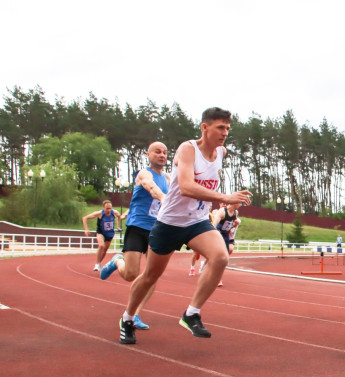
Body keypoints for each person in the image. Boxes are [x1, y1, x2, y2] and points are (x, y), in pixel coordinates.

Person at [117, 107, 252, 345]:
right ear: (205, 127)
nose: (224, 133)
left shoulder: (221, 152)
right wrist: (225, 197)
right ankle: (128, 318)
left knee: (220, 256)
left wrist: (217, 200)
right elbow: (187, 187)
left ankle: (191, 313)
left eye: (228, 128)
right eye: (220, 127)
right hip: (169, 223)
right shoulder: (187, 149)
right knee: (150, 276)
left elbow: (203, 186)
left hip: (197, 222)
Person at [99, 141, 171, 330]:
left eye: (164, 152)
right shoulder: (144, 174)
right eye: (157, 152)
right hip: (137, 227)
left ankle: (134, 314)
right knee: (131, 274)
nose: (162, 155)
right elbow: (150, 186)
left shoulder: (169, 179)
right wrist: (163, 197)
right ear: (148, 154)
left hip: (157, 230)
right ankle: (117, 261)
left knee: (152, 275)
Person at [83, 200, 121, 271]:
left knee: (104, 250)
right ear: (103, 208)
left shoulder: (114, 212)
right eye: (107, 208)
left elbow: (119, 216)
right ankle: (97, 264)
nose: (109, 210)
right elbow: (85, 218)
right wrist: (86, 229)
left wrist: (118, 226)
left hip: (109, 233)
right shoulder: (99, 213)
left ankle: (99, 263)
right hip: (101, 232)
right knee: (101, 245)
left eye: (110, 208)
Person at [211, 202, 241, 287]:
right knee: (220, 257)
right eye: (239, 203)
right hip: (218, 234)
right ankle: (216, 278)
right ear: (234, 203)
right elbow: (213, 225)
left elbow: (231, 225)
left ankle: (215, 274)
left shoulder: (235, 213)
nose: (240, 206)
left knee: (225, 259)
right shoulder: (221, 212)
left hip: (226, 235)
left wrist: (235, 224)